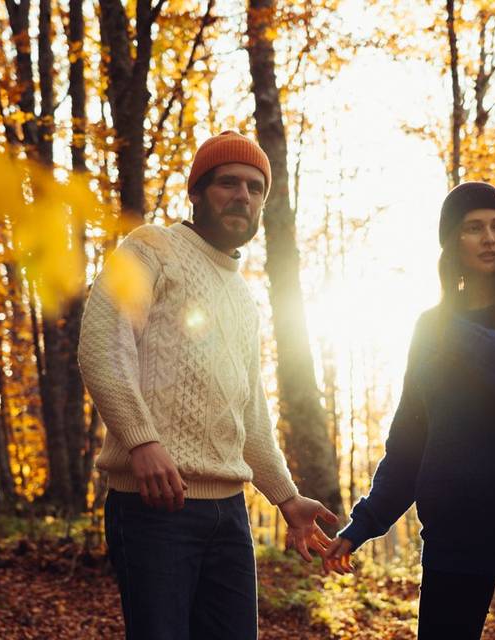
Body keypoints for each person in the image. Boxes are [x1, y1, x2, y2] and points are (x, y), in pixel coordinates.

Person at [78, 130, 336, 640]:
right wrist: (143, 442)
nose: (243, 195)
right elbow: (102, 345)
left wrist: (286, 498)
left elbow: (251, 412)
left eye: (255, 188)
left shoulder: (242, 295)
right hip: (155, 508)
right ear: (197, 192)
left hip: (229, 514)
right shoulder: (151, 247)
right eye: (228, 183)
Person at [323, 181, 495, 639]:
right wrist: (361, 526)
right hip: (457, 537)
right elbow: (410, 444)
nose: (490, 238)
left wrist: (475, 342)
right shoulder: (431, 328)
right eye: (474, 228)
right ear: (452, 241)